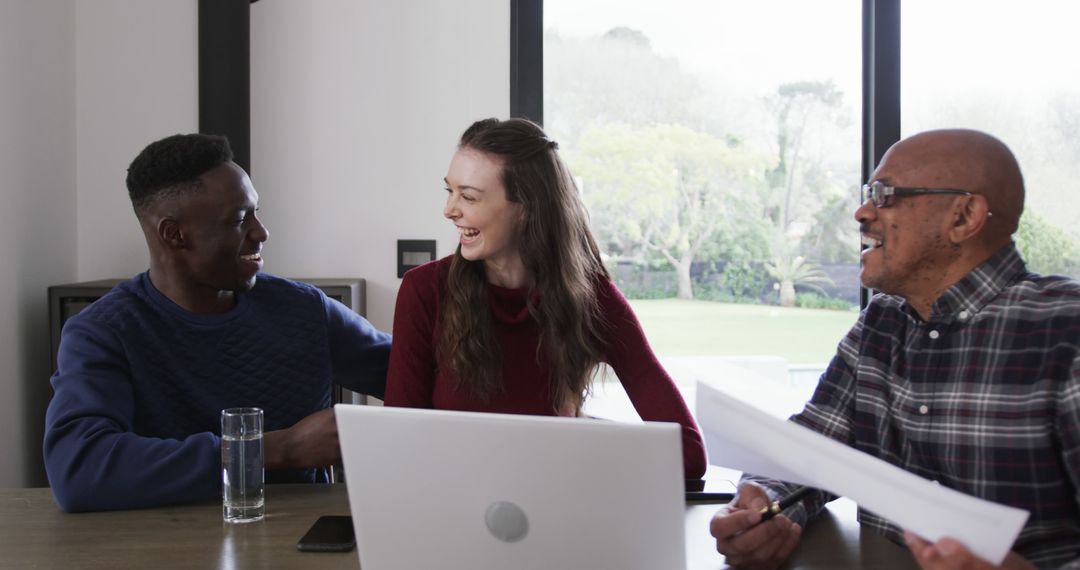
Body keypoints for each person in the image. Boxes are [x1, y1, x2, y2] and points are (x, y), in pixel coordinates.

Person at [708, 129, 1080, 569]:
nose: (862, 212)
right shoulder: (881, 323)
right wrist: (763, 504)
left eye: (885, 195)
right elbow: (810, 449)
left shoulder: (1064, 331)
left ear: (963, 217)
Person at [43, 133, 392, 512]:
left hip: (300, 538)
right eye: (241, 219)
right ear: (173, 234)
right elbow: (79, 470)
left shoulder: (304, 309)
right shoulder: (103, 332)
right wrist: (277, 449)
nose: (261, 233)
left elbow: (420, 375)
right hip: (161, 547)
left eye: (256, 213)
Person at [384, 118, 707, 478]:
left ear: (527, 207)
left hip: (552, 516)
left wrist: (578, 444)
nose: (450, 210)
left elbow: (688, 454)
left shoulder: (592, 298)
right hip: (450, 512)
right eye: (450, 191)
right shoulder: (424, 291)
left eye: (469, 196)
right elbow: (401, 448)